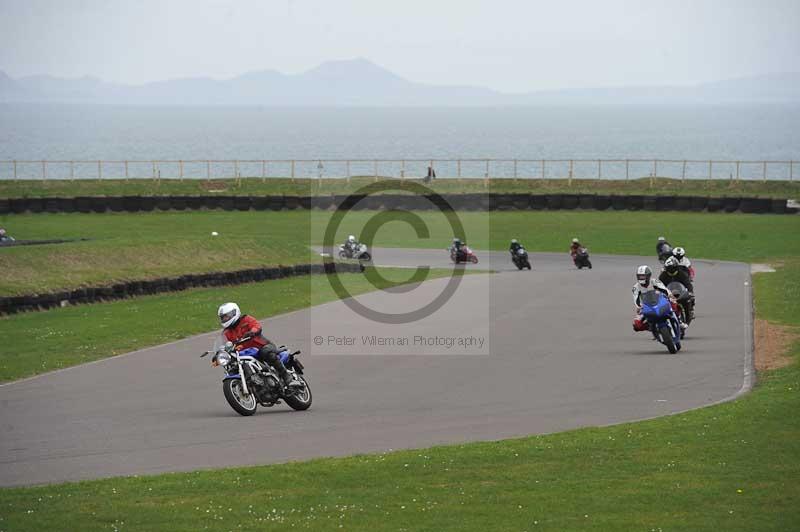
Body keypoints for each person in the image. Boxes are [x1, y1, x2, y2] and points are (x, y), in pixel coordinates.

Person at [217, 302, 301, 389]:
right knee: (232, 364)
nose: (224, 319)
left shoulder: (246, 319)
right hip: (245, 353)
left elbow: (256, 326)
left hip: (261, 346)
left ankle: (286, 376)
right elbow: (226, 345)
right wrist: (219, 353)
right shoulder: (226, 332)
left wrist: (252, 332)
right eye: (222, 317)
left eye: (226, 316)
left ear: (234, 313)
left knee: (266, 352)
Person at [631, 265, 684, 332]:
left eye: (643, 276)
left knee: (673, 302)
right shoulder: (636, 287)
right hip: (647, 307)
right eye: (639, 276)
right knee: (636, 325)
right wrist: (639, 306)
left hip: (660, 302)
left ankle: (679, 321)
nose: (641, 278)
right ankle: (653, 327)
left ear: (648, 276)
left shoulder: (654, 281)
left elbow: (664, 289)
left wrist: (670, 295)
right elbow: (636, 299)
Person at [659, 257, 695, 322]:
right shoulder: (663, 276)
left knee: (690, 298)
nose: (670, 270)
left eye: (672, 268)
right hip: (669, 294)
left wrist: (690, 292)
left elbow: (688, 283)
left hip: (681, 292)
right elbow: (659, 285)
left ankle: (690, 312)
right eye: (669, 268)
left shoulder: (682, 274)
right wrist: (659, 294)